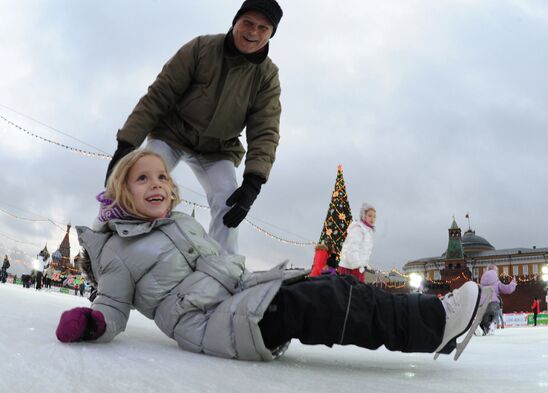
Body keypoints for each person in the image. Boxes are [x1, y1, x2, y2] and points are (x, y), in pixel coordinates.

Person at [55, 150, 492, 362]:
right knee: (323, 302)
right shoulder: (116, 248)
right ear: (119, 190)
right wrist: (91, 323)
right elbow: (112, 305)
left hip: (242, 296)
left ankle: (438, 318)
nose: (157, 184)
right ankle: (433, 328)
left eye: (162, 177)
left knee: (335, 284)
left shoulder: (180, 223)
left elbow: (221, 266)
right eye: (141, 179)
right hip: (213, 323)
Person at [103, 0, 284, 255]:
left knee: (228, 202)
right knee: (143, 181)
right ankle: (115, 252)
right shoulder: (201, 48)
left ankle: (221, 271)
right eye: (248, 23)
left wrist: (253, 182)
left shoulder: (267, 76)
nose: (253, 32)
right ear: (236, 21)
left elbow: (265, 128)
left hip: (218, 149)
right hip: (173, 134)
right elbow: (160, 94)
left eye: (263, 28)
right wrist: (127, 144)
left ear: (271, 34)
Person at [338, 203, 376, 281]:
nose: (372, 218)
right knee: (351, 292)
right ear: (363, 216)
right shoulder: (358, 229)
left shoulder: (367, 231)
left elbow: (363, 251)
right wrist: (357, 265)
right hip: (350, 268)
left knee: (359, 291)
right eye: (370, 216)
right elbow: (352, 248)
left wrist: (365, 264)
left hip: (358, 268)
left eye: (374, 216)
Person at [479, 264, 516, 335]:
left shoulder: (481, 284)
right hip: (493, 303)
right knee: (495, 313)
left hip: (482, 305)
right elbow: (507, 289)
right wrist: (513, 283)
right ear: (495, 271)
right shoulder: (497, 283)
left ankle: (485, 327)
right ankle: (493, 323)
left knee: (484, 318)